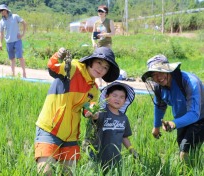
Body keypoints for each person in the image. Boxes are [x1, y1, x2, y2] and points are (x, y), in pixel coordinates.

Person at [34, 47, 120, 175]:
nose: (101, 68)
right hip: (50, 128)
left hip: (71, 134)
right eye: (99, 63)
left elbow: (87, 110)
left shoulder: (94, 89)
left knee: (69, 173)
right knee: (46, 172)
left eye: (106, 67)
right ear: (91, 61)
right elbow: (53, 68)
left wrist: (92, 113)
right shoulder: (73, 68)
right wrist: (58, 55)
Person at [141, 54, 204, 162]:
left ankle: (189, 172)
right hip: (182, 118)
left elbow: (194, 114)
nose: (159, 77)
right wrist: (156, 127)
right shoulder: (159, 88)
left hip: (200, 117)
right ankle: (195, 166)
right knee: (182, 147)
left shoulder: (189, 82)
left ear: (168, 69)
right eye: (154, 74)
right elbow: (160, 106)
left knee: (185, 151)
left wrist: (173, 124)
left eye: (161, 71)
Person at [83, 82, 138, 168]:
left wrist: (132, 151)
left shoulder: (123, 118)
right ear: (106, 97)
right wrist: (92, 113)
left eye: (121, 97)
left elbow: (124, 137)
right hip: (96, 159)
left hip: (115, 160)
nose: (118, 99)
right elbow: (95, 116)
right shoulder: (101, 113)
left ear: (125, 100)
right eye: (114, 96)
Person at [0, 4, 27, 78]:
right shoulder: (1, 21)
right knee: (12, 58)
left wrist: (23, 34)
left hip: (17, 40)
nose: (2, 12)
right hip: (8, 41)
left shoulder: (15, 16)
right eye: (0, 11)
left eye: (3, 10)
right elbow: (1, 33)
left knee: (20, 57)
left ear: (6, 10)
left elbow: (24, 23)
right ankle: (13, 74)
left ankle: (24, 73)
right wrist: (0, 43)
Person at [91, 5, 115, 87]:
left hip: (107, 44)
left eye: (102, 11)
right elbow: (93, 34)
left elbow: (113, 33)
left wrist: (104, 34)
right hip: (99, 45)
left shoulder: (109, 21)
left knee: (106, 63)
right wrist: (93, 42)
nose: (100, 13)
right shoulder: (96, 23)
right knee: (98, 63)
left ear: (106, 13)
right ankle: (99, 84)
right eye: (99, 11)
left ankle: (107, 83)